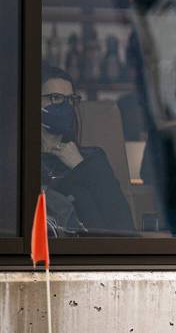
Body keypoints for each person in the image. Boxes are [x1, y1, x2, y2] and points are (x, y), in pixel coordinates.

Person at [40, 64, 135, 235]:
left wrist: (80, 165)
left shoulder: (93, 159)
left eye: (70, 100)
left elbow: (124, 228)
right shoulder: (20, 162)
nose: (65, 106)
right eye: (55, 98)